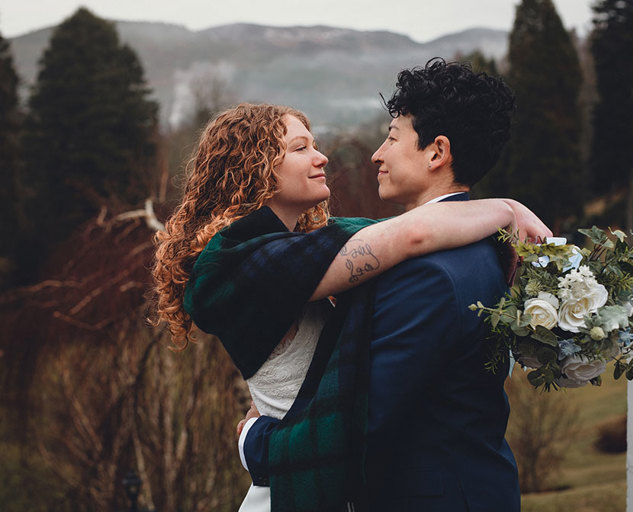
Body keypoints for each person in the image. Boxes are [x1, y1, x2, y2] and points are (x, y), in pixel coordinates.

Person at [153, 100, 548, 510]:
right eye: (300, 148)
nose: (321, 156)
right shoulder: (240, 262)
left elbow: (403, 229)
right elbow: (408, 236)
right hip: (299, 478)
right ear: (254, 166)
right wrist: (505, 208)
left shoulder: (303, 243)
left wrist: (509, 210)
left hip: (328, 472)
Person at [238, 59, 530, 511]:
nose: (377, 153)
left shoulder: (428, 273)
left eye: (392, 137)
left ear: (437, 152)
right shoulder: (480, 242)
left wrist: (254, 441)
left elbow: (362, 422)